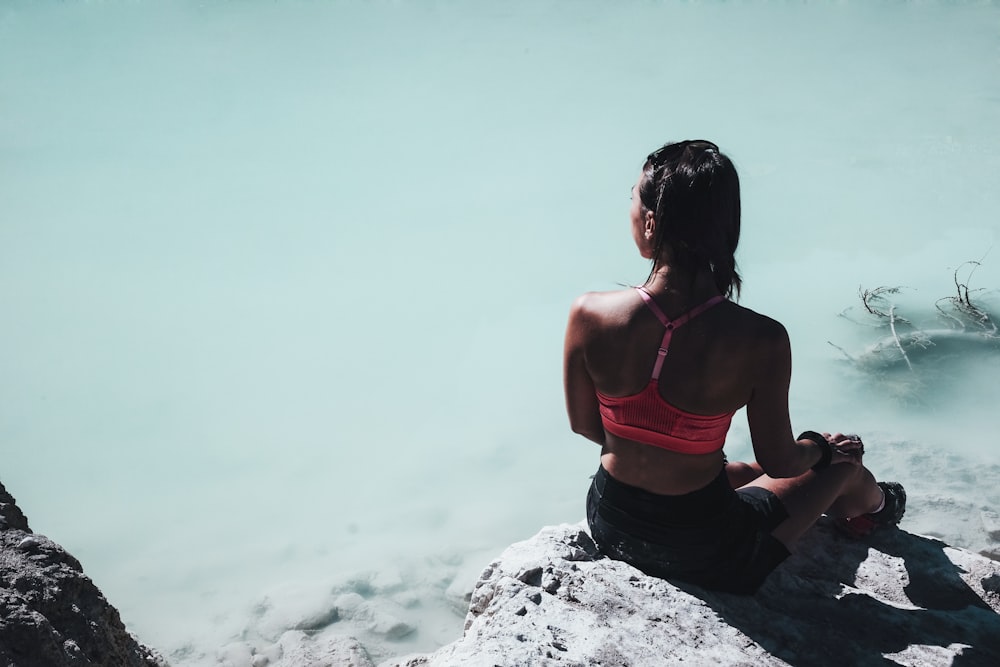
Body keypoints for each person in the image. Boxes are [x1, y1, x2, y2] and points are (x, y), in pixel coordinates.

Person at [562, 140, 906, 594]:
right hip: (706, 551)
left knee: (741, 472)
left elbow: (587, 428)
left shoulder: (588, 314)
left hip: (611, 521)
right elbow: (782, 462)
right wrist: (819, 447)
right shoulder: (761, 338)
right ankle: (877, 507)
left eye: (631, 198)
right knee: (842, 463)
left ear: (650, 222)